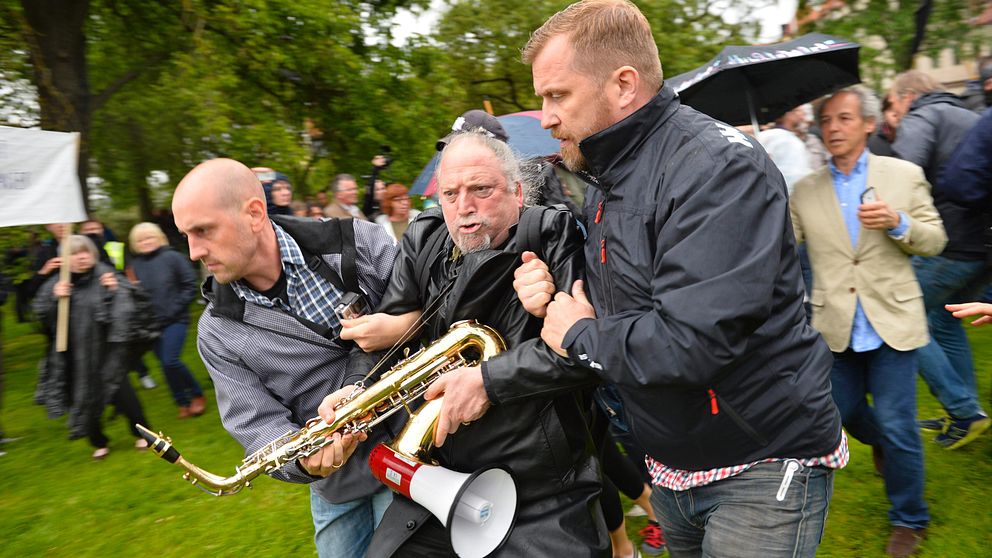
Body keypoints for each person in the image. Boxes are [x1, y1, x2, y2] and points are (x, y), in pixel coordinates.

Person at [506, 2, 845, 556]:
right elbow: (612, 301)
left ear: (622, 85)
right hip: (670, 462)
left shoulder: (716, 167)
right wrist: (548, 290)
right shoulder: (606, 179)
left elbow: (692, 341)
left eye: (557, 95)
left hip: (759, 456)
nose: (544, 117)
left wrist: (578, 334)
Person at [323, 131, 609, 556]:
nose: (464, 207)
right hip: (438, 480)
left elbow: (580, 353)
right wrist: (357, 388)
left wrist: (487, 381)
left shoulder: (550, 232)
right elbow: (384, 337)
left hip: (540, 491)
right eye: (451, 193)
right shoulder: (424, 236)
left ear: (516, 191)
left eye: (481, 189)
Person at [171, 158, 400, 558]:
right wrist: (305, 462)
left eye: (203, 230)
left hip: (416, 447)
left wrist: (402, 324)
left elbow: (427, 306)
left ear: (255, 213)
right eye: (186, 236)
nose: (193, 252)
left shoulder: (356, 242)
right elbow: (257, 424)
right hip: (336, 485)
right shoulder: (216, 331)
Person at [791, 85, 947, 558]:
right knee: (837, 414)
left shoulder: (902, 174)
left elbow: (935, 239)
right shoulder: (804, 190)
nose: (833, 128)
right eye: (827, 120)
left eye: (843, 118)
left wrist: (899, 221)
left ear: (867, 125)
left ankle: (909, 520)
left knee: (900, 425)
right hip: (834, 328)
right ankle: (878, 439)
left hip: (892, 324)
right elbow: (778, 248)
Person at [888, 70, 990, 449]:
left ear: (908, 95)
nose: (893, 113)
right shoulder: (970, 114)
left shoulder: (922, 115)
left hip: (951, 243)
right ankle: (967, 414)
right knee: (945, 322)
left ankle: (963, 409)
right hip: (982, 246)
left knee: (902, 313)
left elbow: (903, 171)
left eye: (894, 104)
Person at [32, 235, 153, 459]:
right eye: (75, 254)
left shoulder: (106, 275)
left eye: (85, 252)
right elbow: (39, 315)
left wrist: (115, 291)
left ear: (93, 254)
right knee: (84, 398)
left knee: (125, 395)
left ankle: (143, 433)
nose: (81, 257)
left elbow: (135, 305)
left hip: (107, 352)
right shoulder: (57, 283)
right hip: (76, 356)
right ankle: (98, 441)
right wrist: (54, 299)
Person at [128, 222, 207, 418]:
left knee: (170, 360)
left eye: (149, 237)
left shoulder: (173, 257)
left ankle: (197, 394)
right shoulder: (134, 266)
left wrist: (173, 309)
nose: (146, 242)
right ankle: (181, 401)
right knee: (164, 364)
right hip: (151, 325)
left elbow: (189, 285)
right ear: (135, 244)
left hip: (175, 319)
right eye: (141, 240)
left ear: (159, 237)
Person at [757, 106, 812, 193]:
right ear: (787, 114)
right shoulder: (768, 136)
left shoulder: (794, 139)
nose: (801, 116)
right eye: (796, 111)